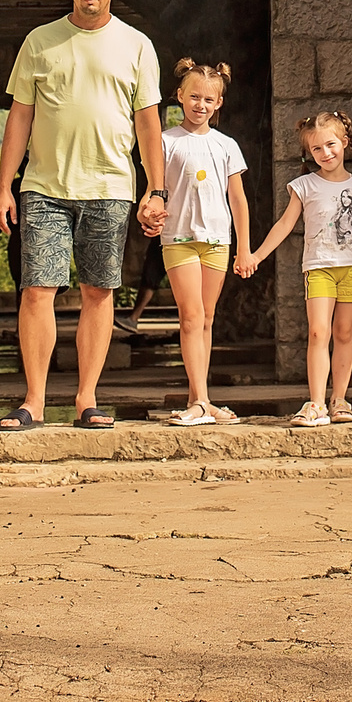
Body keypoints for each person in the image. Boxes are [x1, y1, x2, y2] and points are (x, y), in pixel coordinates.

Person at [0, 0, 165, 431]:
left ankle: (87, 399)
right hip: (44, 187)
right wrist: (5, 186)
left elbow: (148, 124)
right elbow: (19, 118)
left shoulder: (136, 46)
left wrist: (158, 189)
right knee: (35, 291)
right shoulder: (39, 42)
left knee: (99, 291)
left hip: (110, 187)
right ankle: (35, 401)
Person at [240, 111, 352, 429]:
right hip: (319, 267)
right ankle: (316, 403)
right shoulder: (304, 185)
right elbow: (285, 224)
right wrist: (256, 255)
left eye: (331, 145)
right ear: (309, 153)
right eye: (317, 149)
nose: (325, 153)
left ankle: (339, 399)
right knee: (317, 333)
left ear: (346, 143)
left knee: (344, 333)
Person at [144, 58, 250, 426]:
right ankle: (202, 402)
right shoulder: (165, 141)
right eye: (193, 97)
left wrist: (244, 247)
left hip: (218, 239)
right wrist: (149, 211)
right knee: (190, 318)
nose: (200, 105)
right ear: (179, 97)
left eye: (208, 99)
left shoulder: (227, 146)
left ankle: (199, 400)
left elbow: (237, 199)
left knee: (206, 320)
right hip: (179, 238)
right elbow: (153, 188)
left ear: (218, 103)